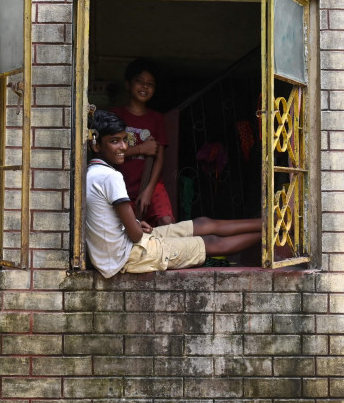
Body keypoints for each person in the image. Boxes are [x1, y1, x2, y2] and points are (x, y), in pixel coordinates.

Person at [85, 109, 260, 278]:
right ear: (96, 144)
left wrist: (137, 224)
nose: (123, 147)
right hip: (130, 255)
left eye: (124, 140)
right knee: (210, 242)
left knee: (203, 223)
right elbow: (136, 235)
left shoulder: (92, 172)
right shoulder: (110, 177)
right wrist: (136, 227)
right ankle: (271, 232)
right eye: (114, 141)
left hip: (123, 249)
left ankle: (266, 225)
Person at [110, 58, 175, 226]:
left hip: (151, 185)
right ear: (128, 85)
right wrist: (141, 149)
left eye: (150, 84)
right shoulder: (116, 115)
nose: (145, 87)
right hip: (121, 183)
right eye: (139, 82)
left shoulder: (156, 118)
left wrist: (148, 190)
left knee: (166, 222)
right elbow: (109, 153)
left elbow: (159, 158)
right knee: (127, 229)